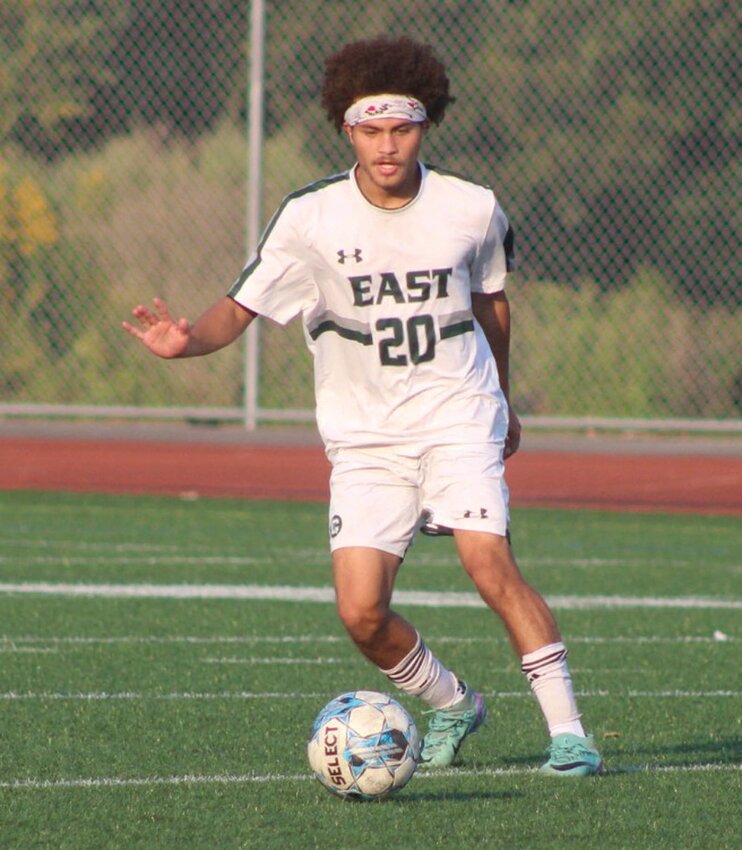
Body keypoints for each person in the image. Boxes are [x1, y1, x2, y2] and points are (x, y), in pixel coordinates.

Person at [123, 35, 604, 776]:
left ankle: (569, 734)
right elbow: (239, 308)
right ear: (348, 129)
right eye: (372, 130)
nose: (388, 146)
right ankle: (453, 705)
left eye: (402, 128)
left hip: (457, 414)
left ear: (425, 125)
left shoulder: (471, 209)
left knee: (488, 563)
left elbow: (493, 304)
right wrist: (184, 341)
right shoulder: (310, 218)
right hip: (365, 438)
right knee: (361, 612)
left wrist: (503, 399)